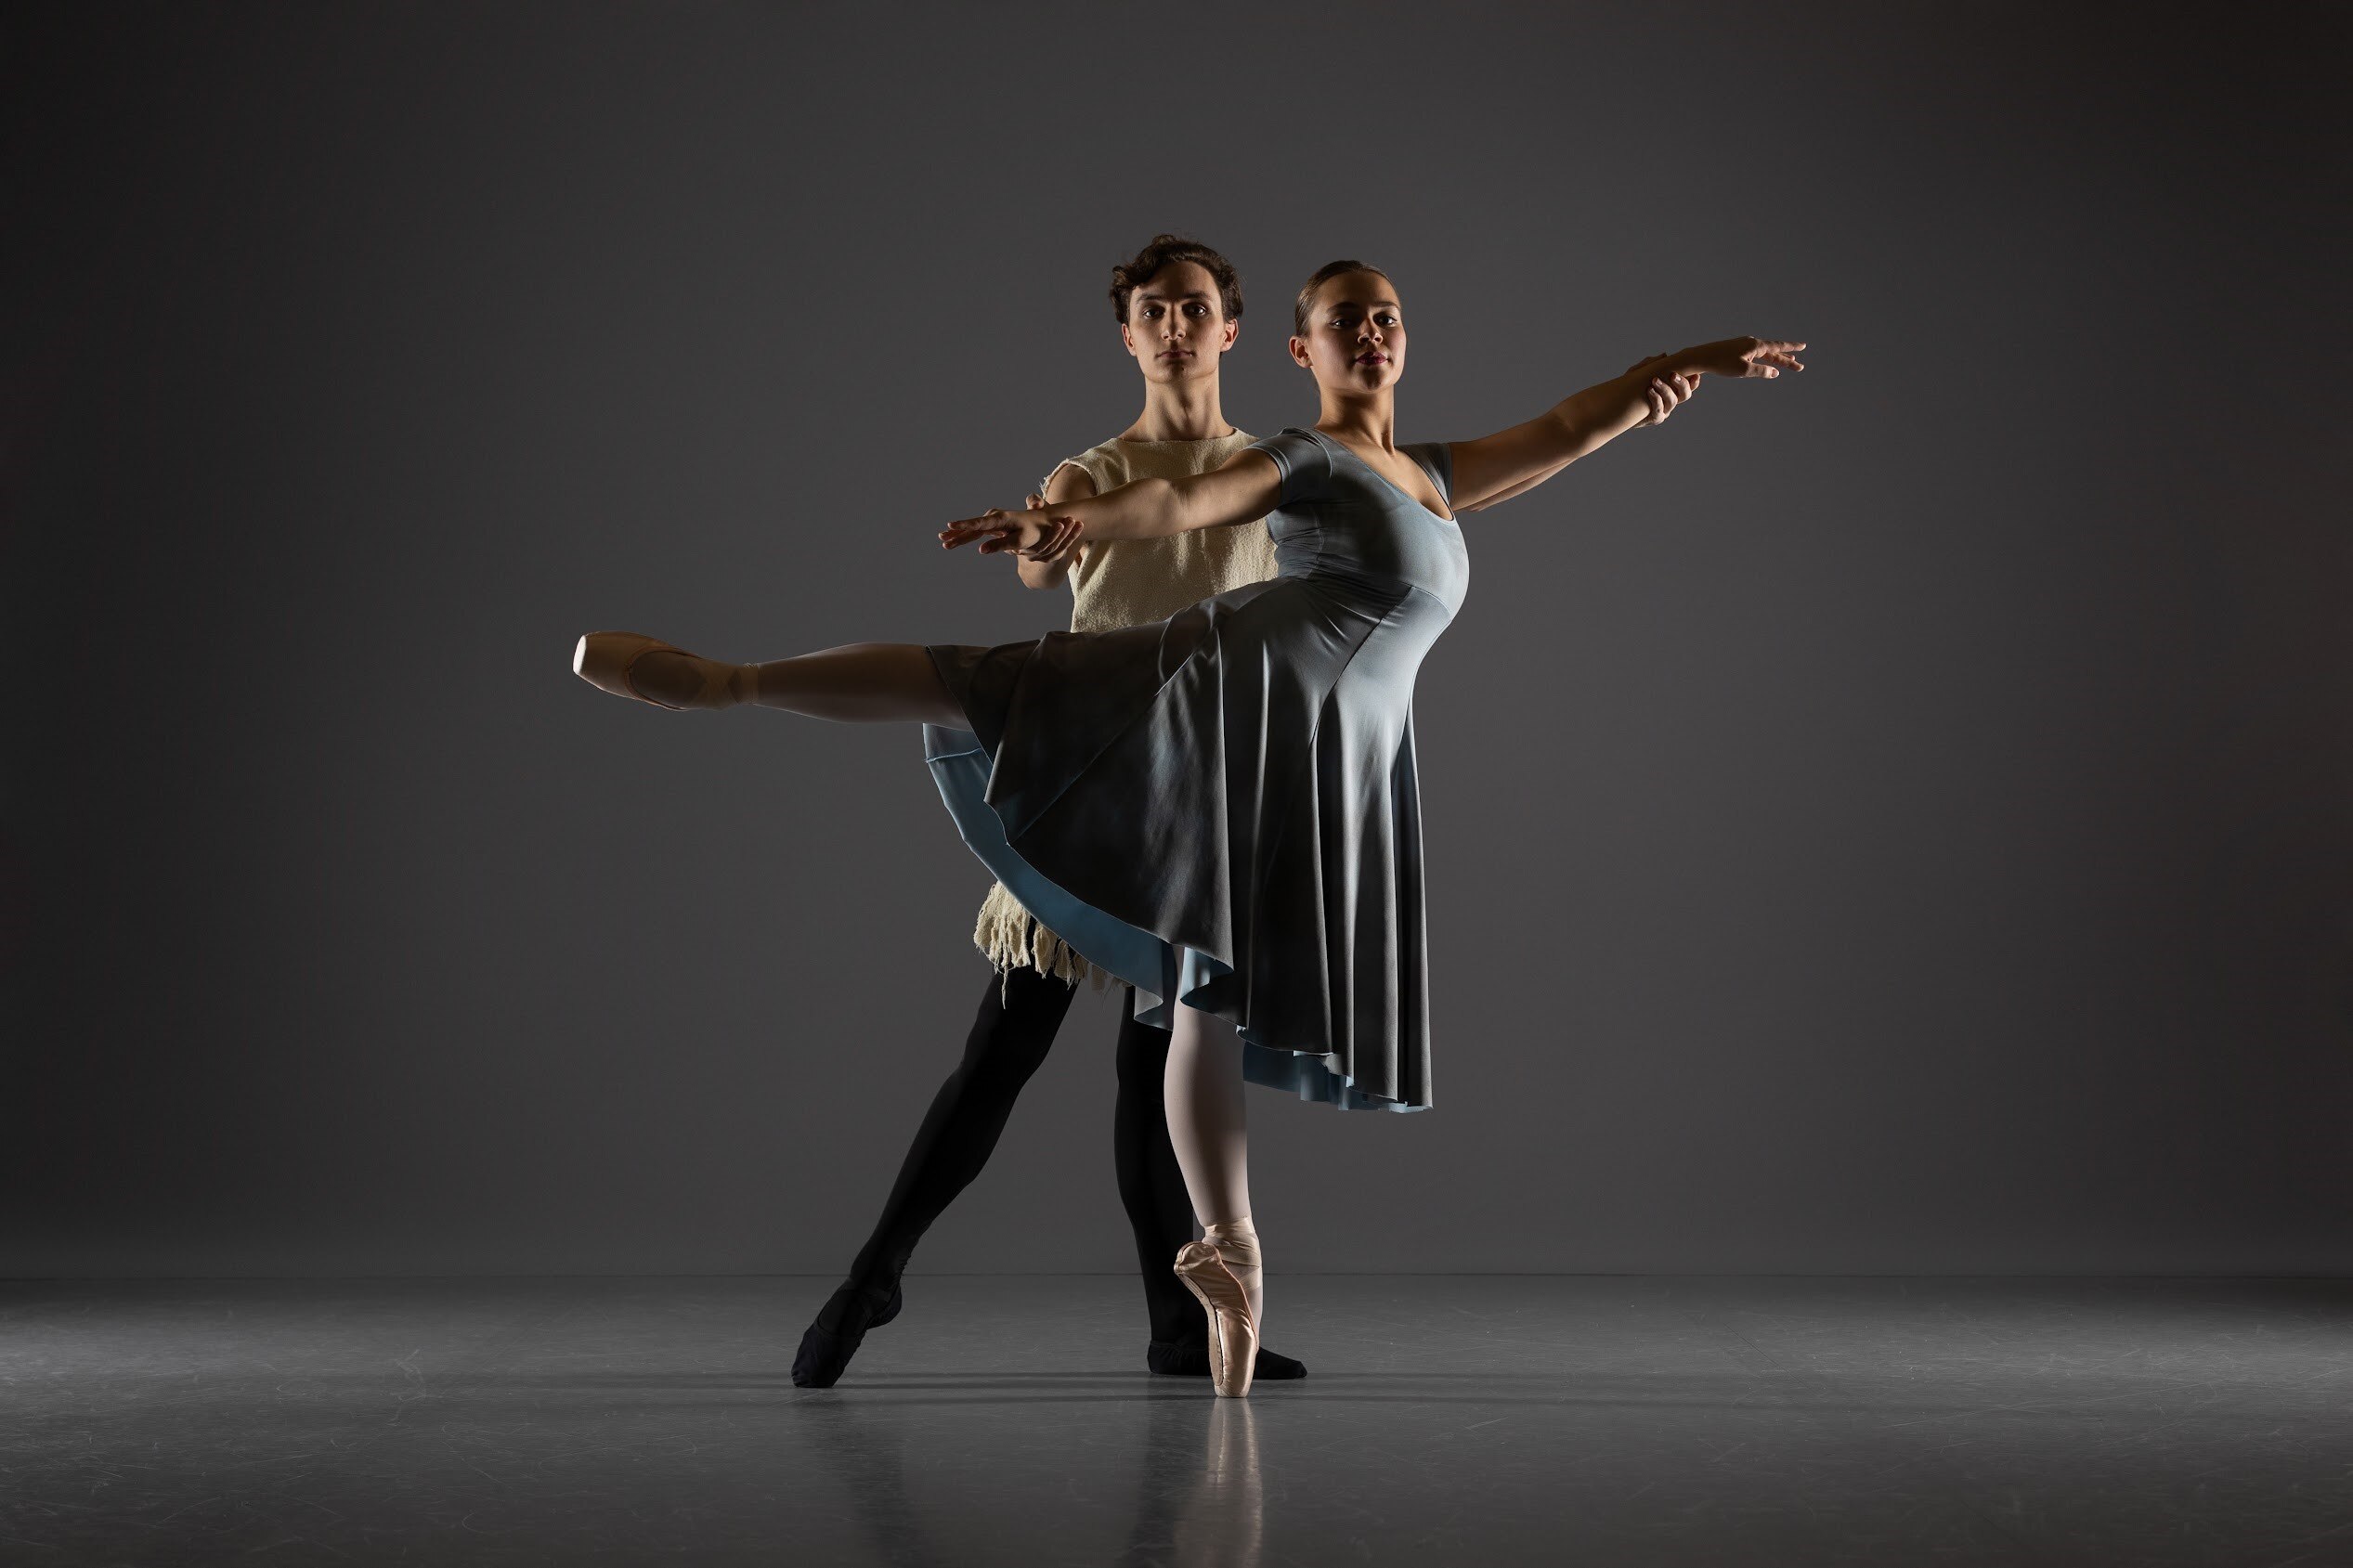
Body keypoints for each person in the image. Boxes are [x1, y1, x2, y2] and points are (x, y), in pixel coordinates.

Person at [575, 258, 1804, 1394]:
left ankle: (1208, 1283)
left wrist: (1686, 361)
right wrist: (1065, 524)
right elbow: (1173, 510)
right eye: (1342, 318)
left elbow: (1563, 433)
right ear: (1288, 345)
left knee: (1185, 1015)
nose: (1369, 331)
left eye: (1385, 315)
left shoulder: (1407, 470)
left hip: (1264, 764)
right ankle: (726, 684)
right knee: (995, 872)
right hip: (1160, 723)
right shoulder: (1234, 462)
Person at [788, 235, 1308, 1389]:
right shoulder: (1087, 473)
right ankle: (873, 1273)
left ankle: (1178, 1330)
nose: (1173, 325)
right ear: (1128, 337)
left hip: (1198, 804)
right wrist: (1039, 536)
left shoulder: (1275, 474)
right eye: (1152, 311)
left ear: (1228, 327)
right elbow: (1043, 561)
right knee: (1000, 1056)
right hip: (1088, 793)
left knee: (1151, 1075)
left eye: (1194, 307)